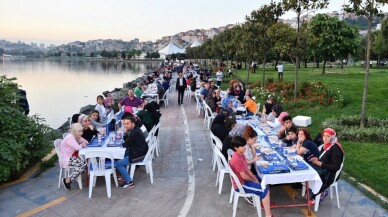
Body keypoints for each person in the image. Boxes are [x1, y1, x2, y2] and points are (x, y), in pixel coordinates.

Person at [229, 136, 273, 217]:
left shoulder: (240, 154)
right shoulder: (237, 159)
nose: (245, 147)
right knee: (265, 190)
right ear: (236, 148)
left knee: (264, 180)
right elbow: (244, 177)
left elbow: (247, 169)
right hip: (241, 185)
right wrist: (253, 179)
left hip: (244, 180)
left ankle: (265, 201)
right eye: (242, 146)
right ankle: (268, 215)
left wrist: (255, 178)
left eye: (245, 145)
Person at [310, 128, 344, 203]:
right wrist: (317, 159)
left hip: (330, 174)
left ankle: (320, 193)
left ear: (332, 137)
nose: (325, 138)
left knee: (312, 175)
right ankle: (313, 191)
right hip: (323, 169)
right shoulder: (325, 145)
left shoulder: (336, 149)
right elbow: (323, 157)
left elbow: (336, 167)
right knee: (308, 170)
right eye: (324, 136)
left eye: (328, 136)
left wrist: (321, 164)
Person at [116, 116, 149, 188]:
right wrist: (126, 133)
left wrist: (124, 133)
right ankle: (123, 174)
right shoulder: (135, 129)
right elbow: (127, 141)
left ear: (133, 123)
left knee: (118, 163)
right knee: (122, 155)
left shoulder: (134, 133)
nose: (125, 126)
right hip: (139, 150)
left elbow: (125, 144)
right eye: (124, 124)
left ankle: (129, 182)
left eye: (127, 124)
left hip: (139, 154)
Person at [61, 123, 88, 190]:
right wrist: (82, 145)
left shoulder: (76, 136)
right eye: (79, 131)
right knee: (84, 164)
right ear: (75, 131)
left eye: (82, 131)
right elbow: (78, 148)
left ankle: (69, 179)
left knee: (84, 164)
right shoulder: (70, 137)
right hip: (66, 158)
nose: (81, 133)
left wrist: (82, 143)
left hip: (72, 156)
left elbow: (86, 142)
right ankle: (68, 180)